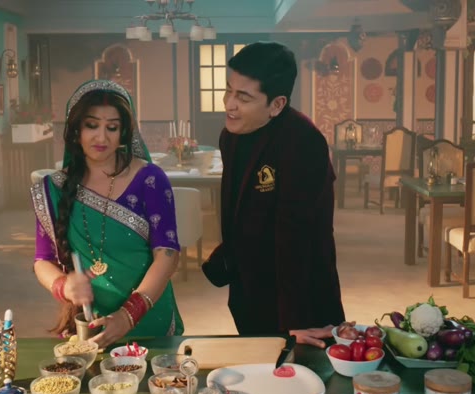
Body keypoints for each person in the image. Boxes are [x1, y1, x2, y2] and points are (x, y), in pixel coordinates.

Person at [202, 41, 346, 348]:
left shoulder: (303, 141)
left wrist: (294, 322)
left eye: (243, 97)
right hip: (250, 287)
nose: (229, 104)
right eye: (228, 90)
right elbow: (234, 208)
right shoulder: (231, 136)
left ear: (277, 105)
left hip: (300, 298)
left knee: (299, 373)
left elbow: (296, 235)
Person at [31, 80, 184, 347]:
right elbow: (42, 260)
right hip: (88, 327)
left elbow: (167, 254)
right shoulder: (54, 188)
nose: (101, 138)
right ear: (76, 129)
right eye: (92, 125)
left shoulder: (149, 178)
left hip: (150, 322)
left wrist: (129, 314)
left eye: (112, 127)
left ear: (123, 132)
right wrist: (63, 286)